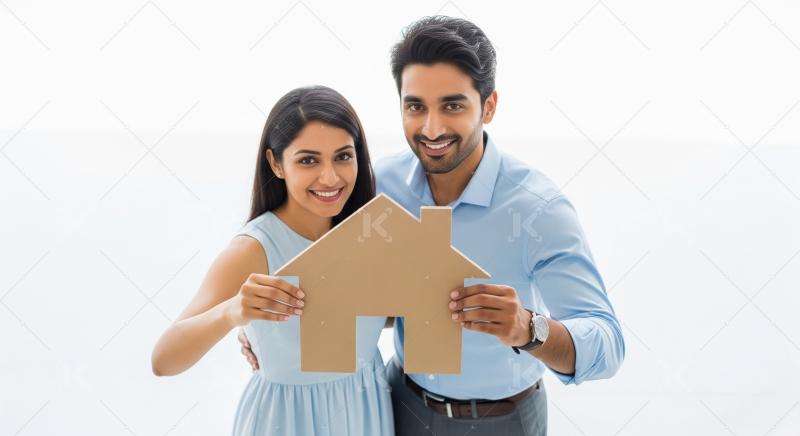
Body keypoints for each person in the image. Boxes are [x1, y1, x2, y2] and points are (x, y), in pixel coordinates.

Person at [241, 16, 626, 435]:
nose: (432, 128)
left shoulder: (539, 208)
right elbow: (342, 284)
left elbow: (607, 344)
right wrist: (269, 335)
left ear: (489, 106)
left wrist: (526, 328)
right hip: (396, 407)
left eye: (453, 105)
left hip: (504, 420)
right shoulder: (376, 187)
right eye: (416, 106)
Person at [151, 85, 394, 435]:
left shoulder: (369, 231)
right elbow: (164, 360)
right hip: (286, 422)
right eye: (308, 160)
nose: (330, 177)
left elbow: (370, 317)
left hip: (366, 413)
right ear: (276, 163)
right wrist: (233, 312)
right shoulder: (254, 249)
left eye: (343, 156)